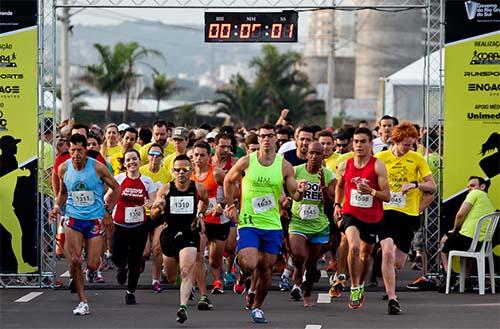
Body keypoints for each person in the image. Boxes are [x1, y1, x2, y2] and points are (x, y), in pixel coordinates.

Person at [224, 123, 306, 324]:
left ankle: (257, 307)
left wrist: (300, 192)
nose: (267, 139)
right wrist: (230, 205)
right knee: (251, 263)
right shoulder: (247, 162)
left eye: (270, 136)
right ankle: (241, 269)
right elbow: (227, 180)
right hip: (249, 221)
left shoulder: (284, 165)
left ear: (275, 139)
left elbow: (294, 192)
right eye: (263, 136)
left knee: (266, 269)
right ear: (258, 139)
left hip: (272, 224)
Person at [49, 133, 120, 315]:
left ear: (85, 150)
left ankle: (91, 270)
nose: (76, 154)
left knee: (93, 264)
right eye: (72, 150)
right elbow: (64, 192)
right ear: (68, 150)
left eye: (79, 150)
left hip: (94, 219)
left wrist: (108, 211)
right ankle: (83, 301)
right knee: (74, 259)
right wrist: (57, 205)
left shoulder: (97, 168)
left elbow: (116, 188)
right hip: (73, 218)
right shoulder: (64, 168)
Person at [375, 121, 436, 315]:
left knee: (399, 262)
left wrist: (415, 185)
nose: (410, 148)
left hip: (408, 214)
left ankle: (386, 268)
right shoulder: (381, 158)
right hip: (386, 211)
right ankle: (392, 296)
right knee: (387, 253)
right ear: (396, 140)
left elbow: (432, 187)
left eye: (412, 144)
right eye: (406, 144)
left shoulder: (417, 158)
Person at [334, 128, 390, 309]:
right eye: (356, 141)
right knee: (354, 247)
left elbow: (387, 196)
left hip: (373, 218)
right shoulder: (345, 165)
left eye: (363, 141)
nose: (359, 145)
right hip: (350, 213)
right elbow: (340, 186)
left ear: (370, 144)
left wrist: (371, 191)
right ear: (352, 143)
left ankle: (360, 283)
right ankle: (354, 287)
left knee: (366, 257)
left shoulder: (377, 166)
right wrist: (337, 205)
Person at [151, 155, 209, 323]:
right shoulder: (165, 189)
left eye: (185, 170)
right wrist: (158, 207)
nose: (181, 173)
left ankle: (182, 307)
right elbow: (154, 216)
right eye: (178, 170)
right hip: (170, 233)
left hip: (189, 232)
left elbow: (204, 202)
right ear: (173, 171)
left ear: (191, 171)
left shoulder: (198, 188)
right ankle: (181, 282)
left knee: (186, 270)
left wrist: (200, 214)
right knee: (170, 276)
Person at [288, 142, 336, 307]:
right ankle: (297, 273)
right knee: (299, 256)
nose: (315, 157)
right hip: (298, 221)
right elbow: (287, 191)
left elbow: (330, 203)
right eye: (312, 153)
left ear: (323, 156)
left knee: (312, 264)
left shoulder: (329, 175)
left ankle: (307, 293)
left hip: (318, 225)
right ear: (307, 154)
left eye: (319, 154)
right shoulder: (296, 171)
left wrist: (322, 185)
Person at [108, 149, 156, 305]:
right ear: (124, 163)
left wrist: (150, 203)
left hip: (139, 226)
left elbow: (154, 202)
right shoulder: (119, 179)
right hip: (119, 225)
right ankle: (121, 267)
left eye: (134, 159)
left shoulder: (147, 181)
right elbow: (107, 196)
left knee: (136, 260)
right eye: (128, 160)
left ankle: (131, 292)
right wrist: (107, 206)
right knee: (116, 256)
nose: (132, 162)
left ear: (140, 161)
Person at [440, 176, 495, 281]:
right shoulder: (487, 200)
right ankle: (466, 279)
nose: (469, 188)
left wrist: (455, 230)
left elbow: (460, 214)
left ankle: (448, 274)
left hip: (469, 240)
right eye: (468, 187)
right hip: (483, 244)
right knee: (468, 249)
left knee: (444, 241)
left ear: (482, 186)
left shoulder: (474, 193)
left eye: (472, 185)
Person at [191, 141, 227, 295]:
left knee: (215, 260)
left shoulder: (217, 173)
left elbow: (232, 188)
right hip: (201, 220)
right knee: (197, 255)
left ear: (209, 157)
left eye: (202, 155)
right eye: (196, 155)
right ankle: (194, 285)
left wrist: (222, 205)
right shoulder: (189, 174)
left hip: (218, 221)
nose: (198, 158)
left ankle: (218, 280)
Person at [139, 143, 173, 292]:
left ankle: (155, 280)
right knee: (145, 252)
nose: (154, 157)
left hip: (160, 215)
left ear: (162, 157)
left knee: (157, 249)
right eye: (152, 154)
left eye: (158, 155)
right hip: (143, 215)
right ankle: (140, 261)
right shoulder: (141, 171)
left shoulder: (167, 174)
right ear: (147, 156)